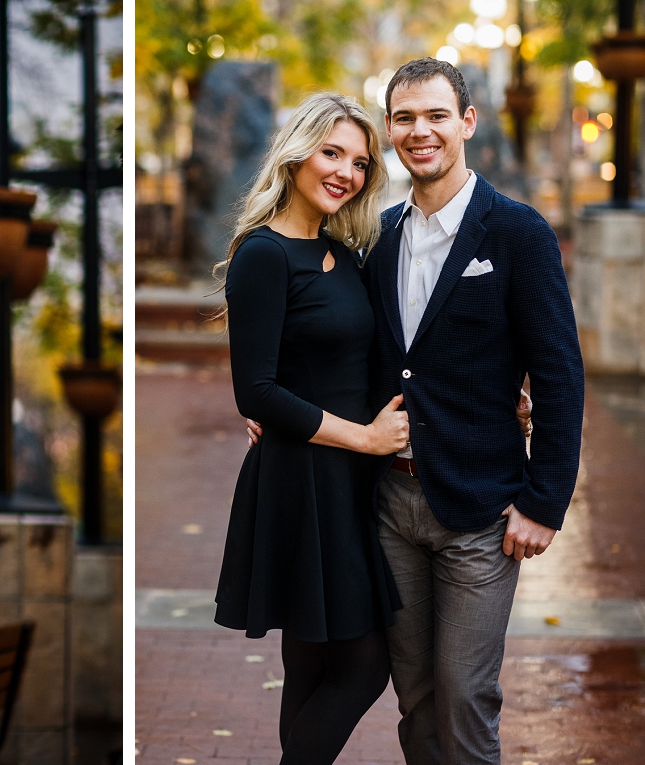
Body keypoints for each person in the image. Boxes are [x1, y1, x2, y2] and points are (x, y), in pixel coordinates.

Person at [247, 60, 584, 764]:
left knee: (464, 694)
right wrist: (275, 406)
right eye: (404, 118)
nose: (419, 131)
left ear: (466, 121)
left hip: (482, 509)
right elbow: (354, 352)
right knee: (416, 696)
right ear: (393, 131)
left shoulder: (518, 233)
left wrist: (545, 501)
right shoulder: (379, 238)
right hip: (387, 503)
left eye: (435, 115)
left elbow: (559, 372)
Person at [213, 92, 407, 765]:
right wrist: (366, 438)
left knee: (311, 666)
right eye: (332, 153)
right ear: (296, 154)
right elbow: (256, 389)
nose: (345, 172)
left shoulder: (348, 254)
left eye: (358, 161)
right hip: (304, 480)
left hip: (346, 483)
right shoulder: (262, 256)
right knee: (363, 665)